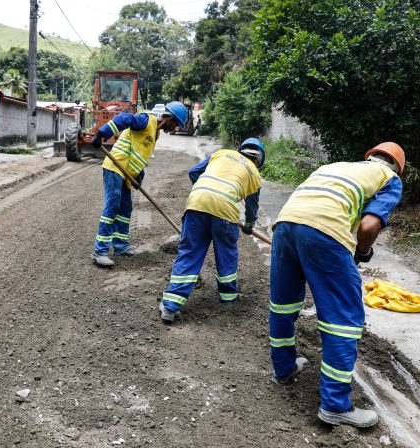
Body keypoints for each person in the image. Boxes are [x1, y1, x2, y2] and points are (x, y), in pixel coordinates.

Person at [268, 142, 405, 428]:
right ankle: (335, 406)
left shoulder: (335, 167)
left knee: (282, 306)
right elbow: (368, 227)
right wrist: (362, 252)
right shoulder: (390, 179)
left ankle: (284, 369)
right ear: (398, 169)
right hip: (324, 231)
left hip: (285, 226)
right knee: (344, 320)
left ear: (369, 157)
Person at [158, 138, 265, 323]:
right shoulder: (254, 173)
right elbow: (252, 208)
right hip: (225, 213)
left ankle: (170, 306)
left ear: (241, 150)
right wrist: (248, 226)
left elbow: (194, 172)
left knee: (189, 254)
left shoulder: (221, 153)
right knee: (226, 255)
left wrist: (206, 192)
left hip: (197, 204)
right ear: (259, 160)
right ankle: (228, 298)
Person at [90, 101, 189, 268]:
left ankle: (121, 246)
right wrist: (102, 133)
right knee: (112, 206)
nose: (174, 128)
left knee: (125, 209)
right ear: (169, 118)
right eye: (175, 124)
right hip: (115, 167)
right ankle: (100, 251)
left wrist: (139, 177)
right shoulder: (145, 120)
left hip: (127, 174)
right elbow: (124, 117)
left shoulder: (155, 134)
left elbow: (140, 156)